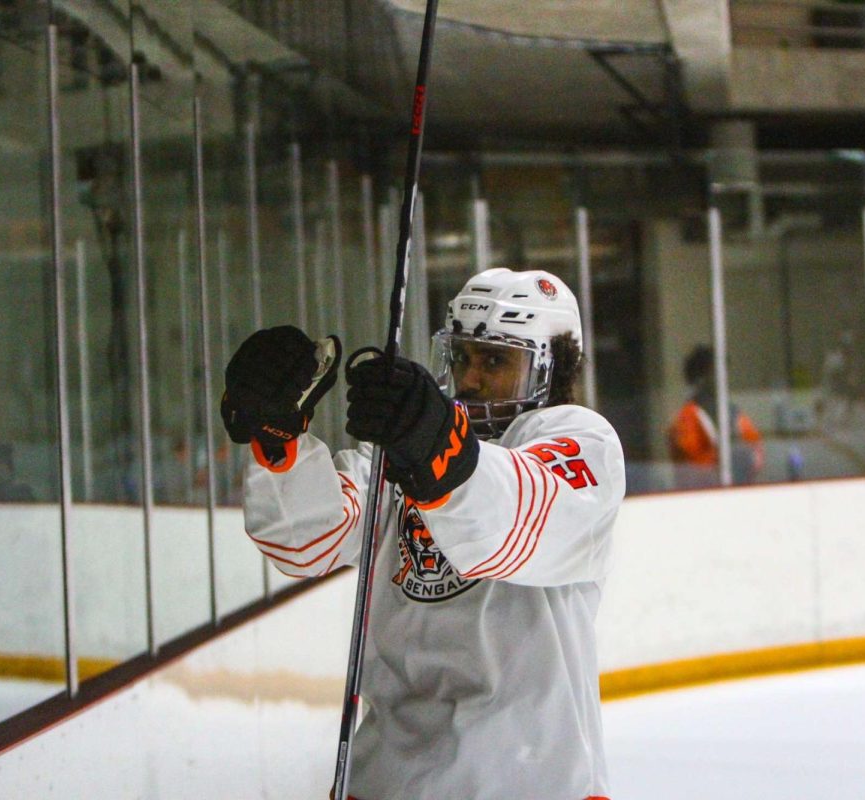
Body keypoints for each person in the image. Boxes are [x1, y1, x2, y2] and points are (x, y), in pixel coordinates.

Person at [220, 267, 625, 800]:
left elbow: (514, 522)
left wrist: (435, 446)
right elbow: (305, 543)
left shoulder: (579, 441)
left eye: (496, 359)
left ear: (552, 367)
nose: (471, 377)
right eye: (462, 357)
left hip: (529, 784)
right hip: (389, 779)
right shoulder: (401, 453)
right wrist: (280, 446)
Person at [667, 344, 763, 486]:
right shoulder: (688, 416)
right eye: (715, 371)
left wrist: (743, 458)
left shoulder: (733, 413)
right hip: (700, 497)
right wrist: (723, 459)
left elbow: (756, 451)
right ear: (700, 377)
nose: (722, 377)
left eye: (724, 370)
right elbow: (691, 465)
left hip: (736, 490)